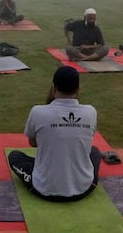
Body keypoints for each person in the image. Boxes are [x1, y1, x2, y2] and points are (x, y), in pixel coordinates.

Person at [7, 66, 102, 202]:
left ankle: (47, 170)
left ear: (53, 87)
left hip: (44, 189)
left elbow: (33, 143)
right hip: (84, 188)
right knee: (94, 152)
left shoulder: (38, 111)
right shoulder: (90, 112)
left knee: (15, 156)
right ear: (78, 88)